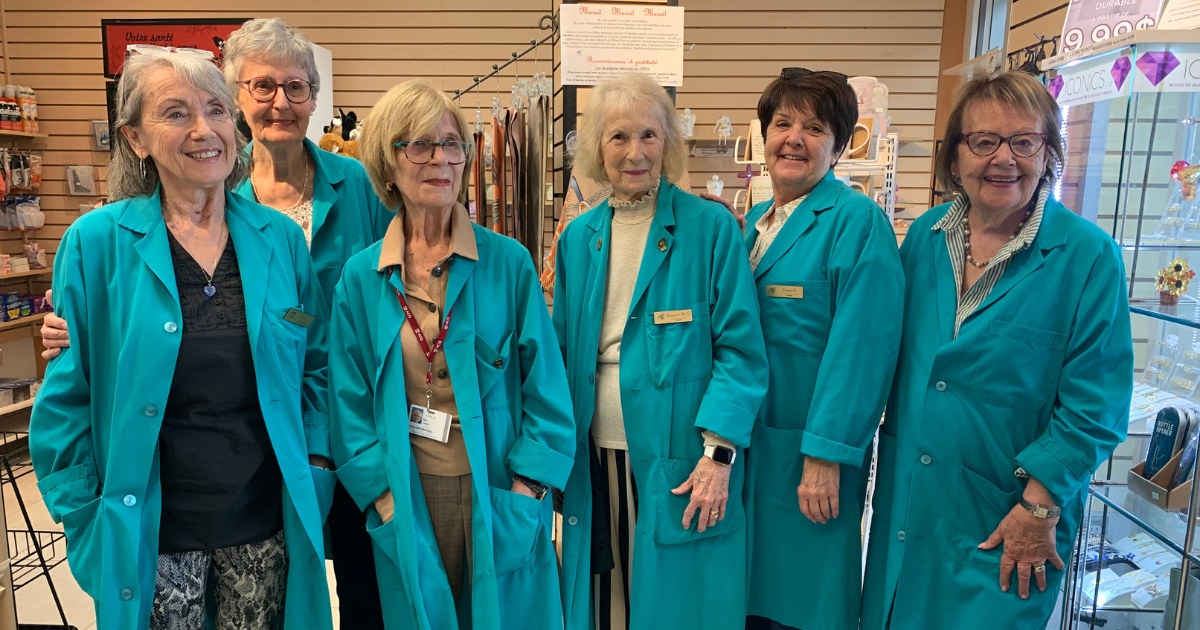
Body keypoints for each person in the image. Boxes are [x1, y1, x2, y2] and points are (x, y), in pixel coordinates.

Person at [39, 19, 393, 627]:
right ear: (135, 138)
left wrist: (317, 463)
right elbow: (66, 398)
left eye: (214, 111)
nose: (203, 130)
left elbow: (312, 356)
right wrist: (83, 513)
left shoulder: (278, 239)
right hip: (150, 530)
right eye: (175, 114)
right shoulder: (95, 244)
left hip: (263, 523)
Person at [860, 71, 1134, 629]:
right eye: (984, 141)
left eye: (1024, 141)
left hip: (1011, 518)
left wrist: (1039, 505)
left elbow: (1097, 405)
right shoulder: (925, 238)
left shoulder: (1087, 257)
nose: (1003, 159)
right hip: (910, 503)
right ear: (956, 155)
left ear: (1048, 153)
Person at [329, 79, 575, 629]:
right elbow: (347, 404)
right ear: (387, 162)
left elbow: (547, 391)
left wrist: (528, 491)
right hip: (407, 491)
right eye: (419, 145)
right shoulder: (361, 277)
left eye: (451, 144)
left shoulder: (508, 263)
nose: (440, 159)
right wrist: (383, 498)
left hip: (497, 489)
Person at [553, 72, 769, 630]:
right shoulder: (578, 238)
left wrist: (719, 454)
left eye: (649, 135)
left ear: (668, 142)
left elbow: (741, 352)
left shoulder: (710, 229)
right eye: (619, 136)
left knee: (675, 603)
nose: (636, 153)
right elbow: (559, 354)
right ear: (597, 147)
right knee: (605, 600)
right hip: (594, 455)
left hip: (682, 458)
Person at [700, 68, 903, 630]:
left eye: (814, 128)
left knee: (804, 602)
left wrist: (825, 455)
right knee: (749, 599)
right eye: (782, 124)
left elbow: (863, 351)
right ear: (763, 135)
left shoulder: (856, 222)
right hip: (751, 450)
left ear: (839, 146)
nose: (794, 139)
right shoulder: (753, 226)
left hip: (809, 459)